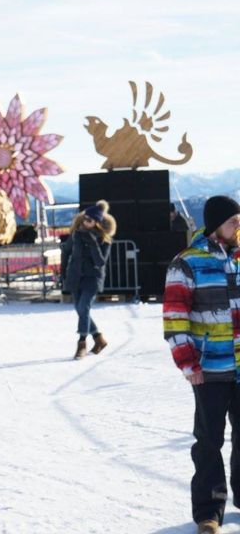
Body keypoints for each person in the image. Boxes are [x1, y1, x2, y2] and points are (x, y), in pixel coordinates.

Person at [163, 195, 240, 534]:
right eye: (233, 222)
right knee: (209, 441)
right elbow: (175, 319)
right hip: (208, 369)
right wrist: (188, 363)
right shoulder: (187, 263)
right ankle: (209, 511)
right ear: (215, 226)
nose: (239, 227)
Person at [60, 200, 116, 360]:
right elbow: (66, 252)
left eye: (89, 220)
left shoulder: (104, 240)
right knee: (80, 310)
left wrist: (92, 243)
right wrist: (63, 273)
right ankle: (99, 339)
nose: (85, 222)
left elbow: (100, 262)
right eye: (85, 219)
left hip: (93, 279)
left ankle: (82, 343)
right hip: (76, 277)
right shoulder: (76, 234)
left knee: (83, 307)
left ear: (97, 222)